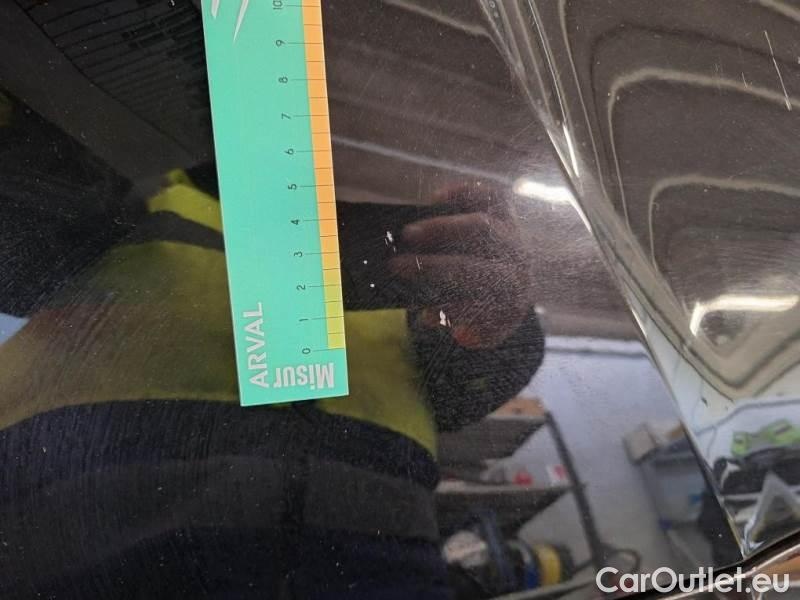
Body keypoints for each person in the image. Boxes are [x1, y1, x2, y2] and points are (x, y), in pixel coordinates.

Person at [0, 96, 544, 598]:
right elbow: (21, 242)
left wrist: (503, 315)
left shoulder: (395, 271)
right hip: (78, 562)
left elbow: (463, 392)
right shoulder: (134, 192)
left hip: (378, 575)